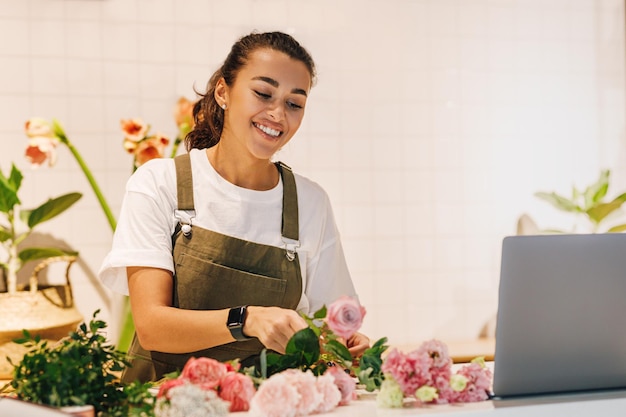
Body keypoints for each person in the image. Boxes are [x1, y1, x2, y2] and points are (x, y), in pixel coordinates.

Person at [98, 31, 370, 382]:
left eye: (294, 103)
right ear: (223, 92)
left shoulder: (309, 202)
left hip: (265, 403)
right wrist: (247, 320)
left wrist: (340, 345)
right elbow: (152, 325)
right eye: (263, 93)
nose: (277, 114)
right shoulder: (159, 183)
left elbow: (329, 325)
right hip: (160, 403)